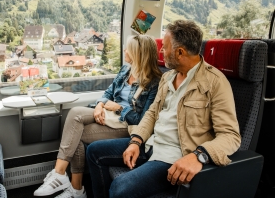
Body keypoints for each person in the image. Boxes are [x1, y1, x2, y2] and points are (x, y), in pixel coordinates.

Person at [86, 20, 242, 198]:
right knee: (94, 152)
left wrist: (199, 156)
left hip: (174, 155)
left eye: (165, 47)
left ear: (180, 52)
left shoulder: (215, 82)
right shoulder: (168, 77)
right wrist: (136, 141)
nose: (161, 52)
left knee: (119, 188)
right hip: (151, 143)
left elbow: (231, 136)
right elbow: (152, 113)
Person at [34, 35, 162, 198]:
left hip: (126, 126)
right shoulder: (125, 71)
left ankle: (72, 185)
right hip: (110, 117)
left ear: (138, 53)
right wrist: (100, 105)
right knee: (74, 115)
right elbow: (108, 93)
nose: (124, 51)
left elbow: (142, 121)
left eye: (128, 48)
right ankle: (69, 183)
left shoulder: (155, 82)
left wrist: (119, 108)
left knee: (76, 133)